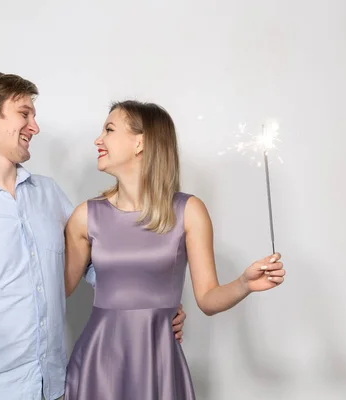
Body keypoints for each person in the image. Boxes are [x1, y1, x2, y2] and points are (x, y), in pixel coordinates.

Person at [0, 73, 186, 400]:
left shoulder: (50, 196)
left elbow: (98, 263)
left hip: (54, 390)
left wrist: (151, 302)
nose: (34, 127)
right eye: (24, 114)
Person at [63, 100, 286, 399]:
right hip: (98, 365)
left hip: (160, 364)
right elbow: (53, 292)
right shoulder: (85, 216)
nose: (98, 139)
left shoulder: (189, 211)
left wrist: (245, 283)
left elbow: (207, 298)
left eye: (109, 129)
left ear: (141, 142)